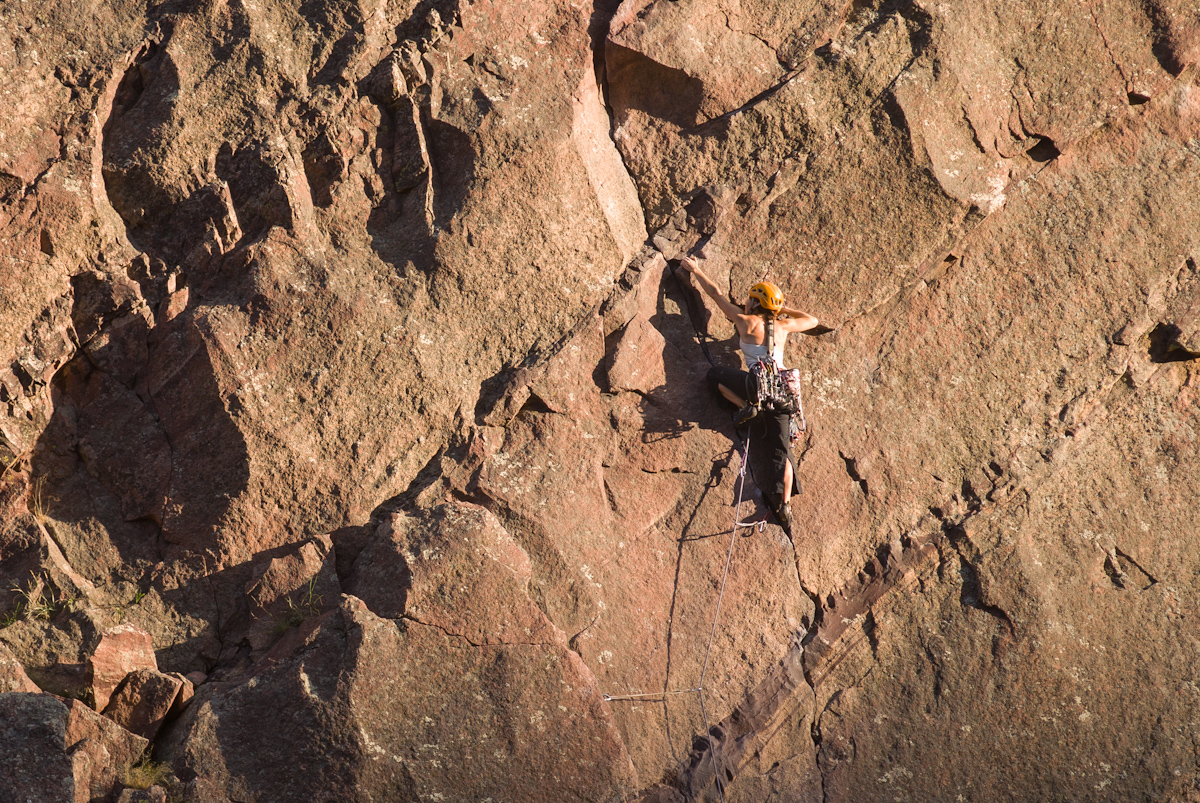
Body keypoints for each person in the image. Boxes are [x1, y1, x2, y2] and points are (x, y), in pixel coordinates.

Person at [680, 255, 820, 534]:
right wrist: (779, 309)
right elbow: (812, 320)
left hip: (756, 387)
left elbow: (717, 295)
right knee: (783, 450)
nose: (746, 302)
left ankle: (747, 407)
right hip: (782, 393)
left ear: (755, 303)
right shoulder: (783, 326)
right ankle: (784, 504)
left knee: (715, 377)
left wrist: (695, 270)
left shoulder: (744, 321)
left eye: (750, 299)